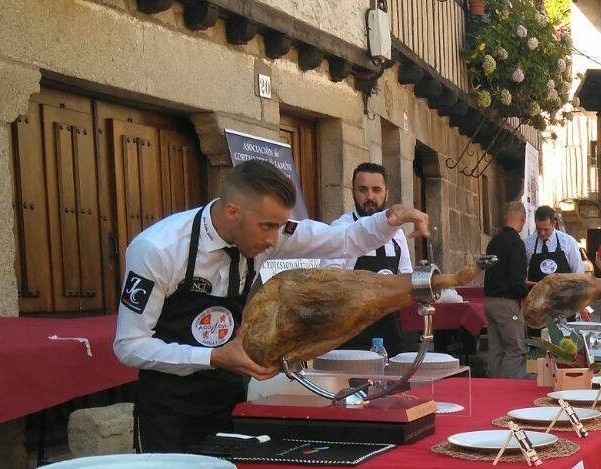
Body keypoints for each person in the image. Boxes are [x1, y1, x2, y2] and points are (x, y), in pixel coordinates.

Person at [115, 159, 427, 452]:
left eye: (279, 227)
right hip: (169, 406)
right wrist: (212, 356)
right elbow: (130, 346)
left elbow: (342, 240)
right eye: (267, 227)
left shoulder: (270, 231)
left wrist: (390, 219)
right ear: (233, 212)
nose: (274, 239)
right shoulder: (158, 249)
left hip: (230, 397)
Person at [335, 162, 414, 353]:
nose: (370, 197)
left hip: (391, 332)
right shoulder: (340, 228)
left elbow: (406, 276)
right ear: (353, 192)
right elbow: (331, 281)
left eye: (376, 190)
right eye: (363, 190)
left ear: (386, 192)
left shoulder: (397, 233)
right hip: (352, 333)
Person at [483, 201, 531, 378]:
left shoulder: (493, 241)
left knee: (495, 349)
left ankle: (492, 389)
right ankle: (506, 389)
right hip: (507, 303)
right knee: (514, 349)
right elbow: (516, 279)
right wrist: (526, 294)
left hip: (489, 301)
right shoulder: (516, 243)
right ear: (522, 219)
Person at [524, 206, 582, 285]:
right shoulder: (527, 243)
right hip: (537, 295)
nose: (542, 233)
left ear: (554, 223)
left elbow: (579, 274)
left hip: (564, 295)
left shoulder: (569, 242)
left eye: (546, 229)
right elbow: (521, 275)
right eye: (539, 229)